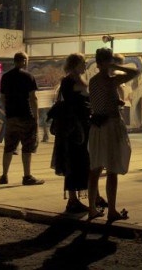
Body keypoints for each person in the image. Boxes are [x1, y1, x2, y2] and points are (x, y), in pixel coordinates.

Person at [86, 46, 139, 222]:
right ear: (107, 61)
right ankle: (112, 210)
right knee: (112, 170)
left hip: (96, 127)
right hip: (110, 126)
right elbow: (135, 72)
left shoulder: (93, 81)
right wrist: (117, 67)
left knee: (94, 169)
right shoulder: (110, 80)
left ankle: (92, 208)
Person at [50, 53, 93, 214]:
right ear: (75, 64)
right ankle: (73, 200)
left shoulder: (72, 80)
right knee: (75, 160)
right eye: (83, 63)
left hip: (78, 125)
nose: (85, 65)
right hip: (75, 127)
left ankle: (77, 198)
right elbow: (85, 91)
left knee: (80, 161)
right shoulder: (70, 80)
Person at [0, 51, 44, 186]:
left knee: (9, 147)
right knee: (27, 147)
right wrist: (36, 117)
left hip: (11, 117)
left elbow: (2, 97)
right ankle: (27, 176)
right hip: (26, 116)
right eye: (27, 60)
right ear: (24, 61)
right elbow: (33, 98)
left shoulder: (5, 77)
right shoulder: (28, 77)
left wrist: (7, 111)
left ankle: (4, 176)